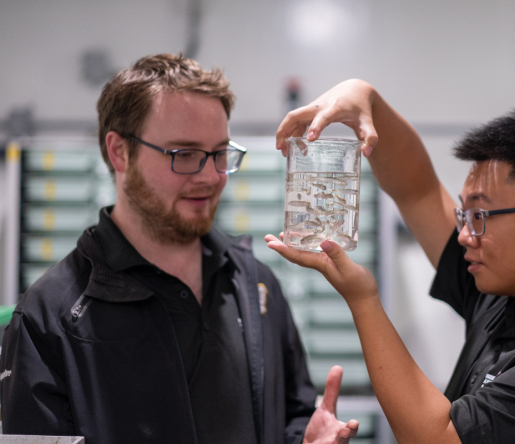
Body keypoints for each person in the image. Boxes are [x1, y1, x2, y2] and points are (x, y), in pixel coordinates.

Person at [266, 79, 515, 443]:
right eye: (464, 215)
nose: (465, 235)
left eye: (480, 216)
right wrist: (368, 101)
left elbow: (436, 437)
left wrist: (363, 300)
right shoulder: (506, 300)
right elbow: (418, 191)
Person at [0, 54, 358, 444]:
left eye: (219, 153)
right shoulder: (48, 317)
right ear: (119, 152)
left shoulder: (256, 286)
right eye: (184, 155)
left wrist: (304, 439)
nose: (211, 177)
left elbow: (291, 415)